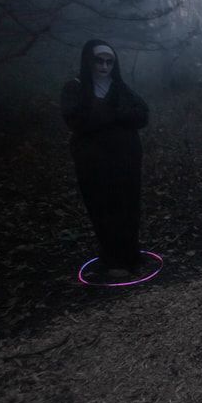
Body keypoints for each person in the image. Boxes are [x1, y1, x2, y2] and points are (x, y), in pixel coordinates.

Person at [61, 39, 149, 277]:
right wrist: (117, 116)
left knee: (128, 208)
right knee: (103, 208)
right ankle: (113, 260)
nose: (104, 66)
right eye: (99, 60)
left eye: (109, 61)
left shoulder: (119, 86)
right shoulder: (76, 87)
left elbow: (142, 114)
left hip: (127, 160)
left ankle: (131, 256)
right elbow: (78, 121)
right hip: (94, 163)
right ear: (89, 61)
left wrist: (112, 115)